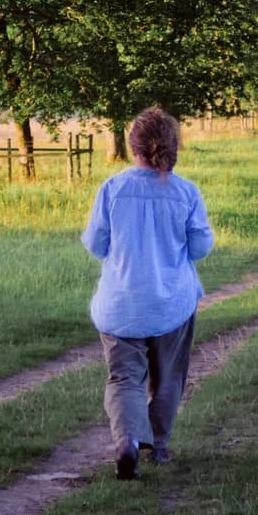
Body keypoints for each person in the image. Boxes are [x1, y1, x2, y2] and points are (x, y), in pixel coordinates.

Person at [82, 106, 213, 479]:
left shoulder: (113, 189)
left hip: (121, 303)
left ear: (132, 145)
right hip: (172, 302)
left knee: (124, 378)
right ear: (173, 145)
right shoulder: (186, 192)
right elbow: (201, 248)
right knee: (169, 376)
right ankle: (157, 445)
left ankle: (126, 443)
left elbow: (96, 244)